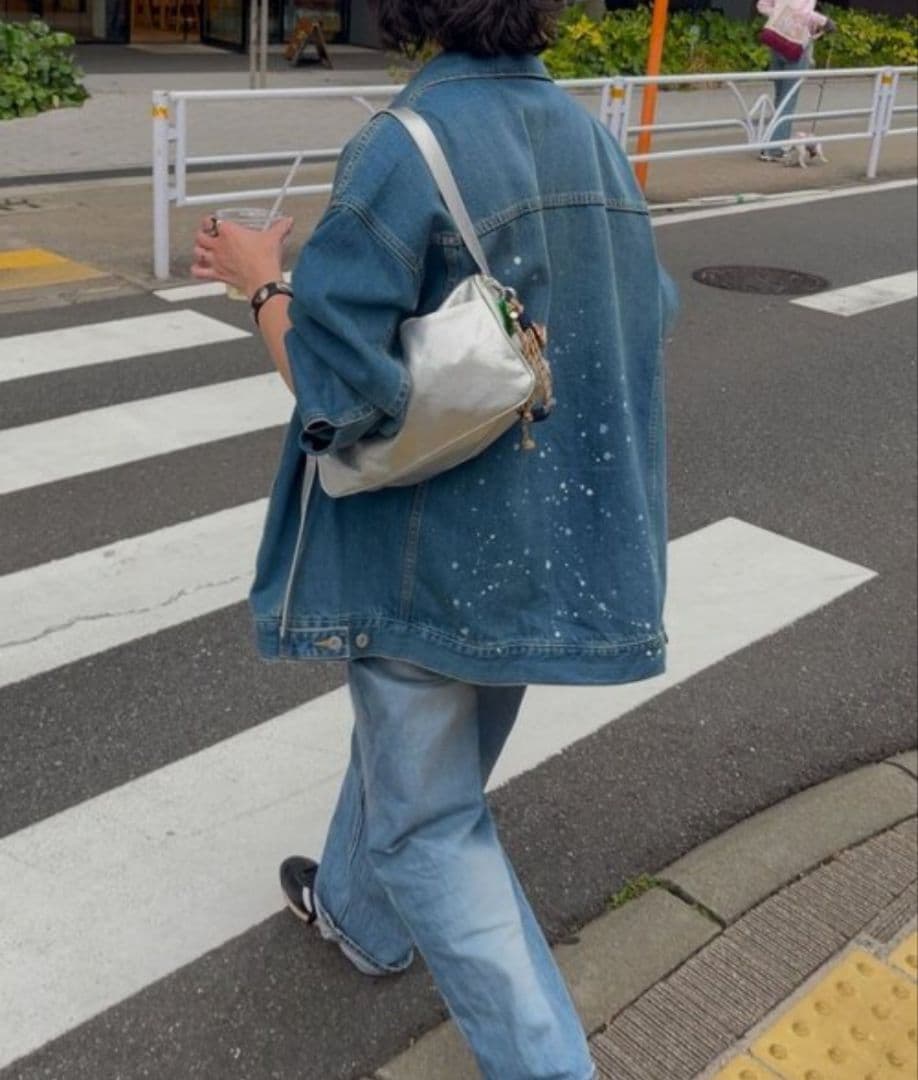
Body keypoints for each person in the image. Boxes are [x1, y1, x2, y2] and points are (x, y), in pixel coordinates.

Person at [191, 0, 676, 1075]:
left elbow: (337, 389)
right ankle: (359, 915)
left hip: (425, 547)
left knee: (427, 823)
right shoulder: (591, 137)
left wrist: (260, 280)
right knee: (424, 754)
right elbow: (648, 315)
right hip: (536, 541)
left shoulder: (401, 146)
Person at [757, 0, 835, 161]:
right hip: (796, 46)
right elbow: (802, 12)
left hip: (776, 42)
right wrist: (824, 21)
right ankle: (775, 149)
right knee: (788, 99)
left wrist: (781, 16)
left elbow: (762, 5)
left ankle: (772, 142)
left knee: (780, 97)